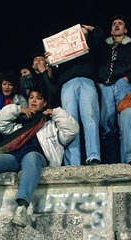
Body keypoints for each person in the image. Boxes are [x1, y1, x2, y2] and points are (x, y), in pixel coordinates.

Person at [0, 89, 79, 233]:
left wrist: (55, 112)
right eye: (31, 98)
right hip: (16, 157)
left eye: (38, 98)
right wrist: (19, 109)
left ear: (44, 102)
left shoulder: (51, 125)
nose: (34, 100)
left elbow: (72, 129)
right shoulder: (20, 124)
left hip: (38, 156)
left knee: (31, 157)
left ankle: (22, 209)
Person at [82, 15, 131, 163]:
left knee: (124, 120)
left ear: (125, 29)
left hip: (122, 83)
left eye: (120, 24)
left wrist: (127, 78)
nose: (117, 25)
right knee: (107, 124)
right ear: (111, 30)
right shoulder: (103, 47)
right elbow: (93, 61)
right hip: (104, 86)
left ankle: (128, 159)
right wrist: (98, 82)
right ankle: (112, 161)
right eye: (114, 24)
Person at [48, 24, 101, 166]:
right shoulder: (64, 52)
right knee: (70, 123)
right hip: (66, 84)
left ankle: (93, 156)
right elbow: (53, 75)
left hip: (87, 80)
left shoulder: (91, 47)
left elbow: (101, 41)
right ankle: (73, 162)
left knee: (90, 118)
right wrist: (51, 59)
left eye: (82, 32)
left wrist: (92, 29)